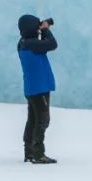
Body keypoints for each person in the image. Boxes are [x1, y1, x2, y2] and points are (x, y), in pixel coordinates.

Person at [17, 14, 58, 164]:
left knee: (33, 120)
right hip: (39, 88)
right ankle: (38, 154)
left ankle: (29, 152)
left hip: (32, 88)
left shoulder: (23, 43)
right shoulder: (32, 44)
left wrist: (41, 30)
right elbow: (52, 44)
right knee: (42, 120)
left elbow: (42, 44)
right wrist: (46, 30)